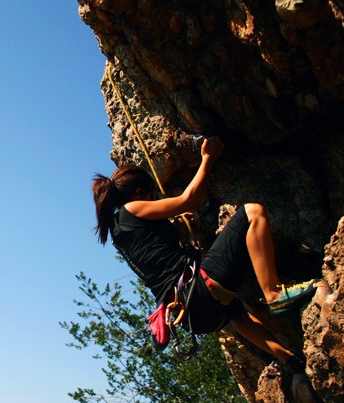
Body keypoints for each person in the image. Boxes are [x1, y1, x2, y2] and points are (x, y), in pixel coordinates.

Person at [91, 137, 316, 369]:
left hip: (193, 316)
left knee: (236, 313)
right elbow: (189, 200)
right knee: (253, 212)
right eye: (151, 196)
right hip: (199, 289)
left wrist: (174, 224)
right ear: (138, 192)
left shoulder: (117, 232)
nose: (153, 200)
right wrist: (207, 158)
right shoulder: (132, 208)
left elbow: (154, 248)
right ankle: (274, 293)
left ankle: (288, 359)